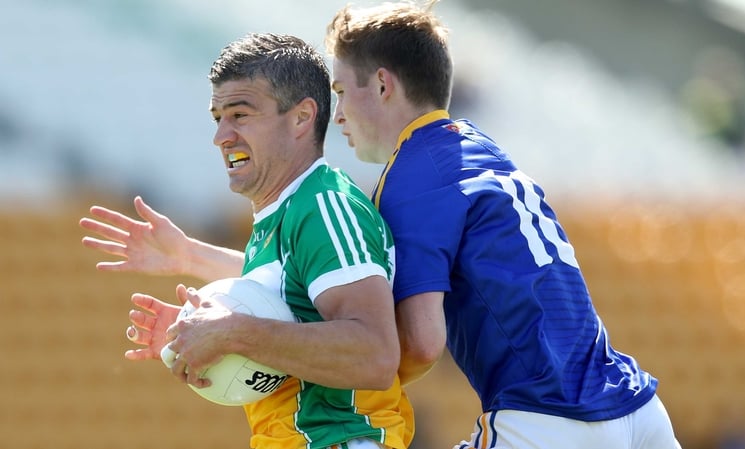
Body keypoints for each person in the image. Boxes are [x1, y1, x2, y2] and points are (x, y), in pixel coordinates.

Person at [323, 1, 682, 449]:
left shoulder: (410, 175)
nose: (336, 113)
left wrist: (331, 379)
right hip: (636, 406)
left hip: (548, 419)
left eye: (340, 90)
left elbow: (420, 343)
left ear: (381, 85)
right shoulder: (477, 146)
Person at [81, 32, 412, 449]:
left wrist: (235, 333)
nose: (221, 136)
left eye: (240, 114)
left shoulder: (326, 207)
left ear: (301, 118)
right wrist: (197, 322)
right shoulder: (285, 214)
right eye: (217, 117)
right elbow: (289, 295)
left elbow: (376, 355)